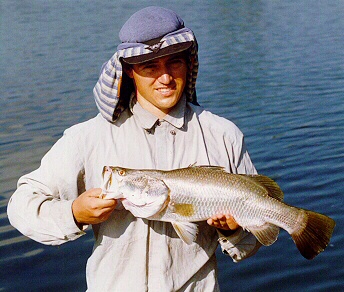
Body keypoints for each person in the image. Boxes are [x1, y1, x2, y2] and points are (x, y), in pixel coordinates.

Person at [7, 6, 261, 291]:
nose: (165, 78)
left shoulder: (224, 135)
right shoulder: (88, 138)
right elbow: (20, 206)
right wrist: (75, 213)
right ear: (128, 71)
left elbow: (251, 243)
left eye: (174, 63)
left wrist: (234, 231)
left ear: (189, 63)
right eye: (150, 67)